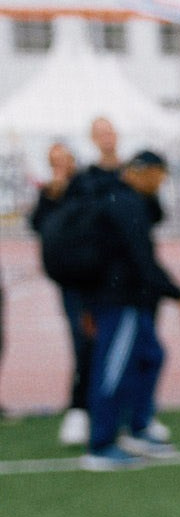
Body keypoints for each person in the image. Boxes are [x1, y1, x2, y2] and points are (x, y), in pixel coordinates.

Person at [80, 149, 180, 470]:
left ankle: (138, 427)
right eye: (159, 176)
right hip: (119, 300)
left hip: (131, 299)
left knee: (149, 356)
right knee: (112, 370)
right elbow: (143, 260)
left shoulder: (129, 201)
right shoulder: (124, 203)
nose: (160, 183)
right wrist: (179, 294)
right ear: (147, 171)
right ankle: (100, 445)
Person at [28, 140, 97, 444]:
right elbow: (37, 225)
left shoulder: (86, 187)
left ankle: (90, 405)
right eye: (53, 161)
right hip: (70, 283)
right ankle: (80, 408)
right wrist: (51, 195)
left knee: (97, 340)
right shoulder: (49, 193)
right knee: (81, 340)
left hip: (94, 280)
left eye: (63, 160)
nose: (59, 166)